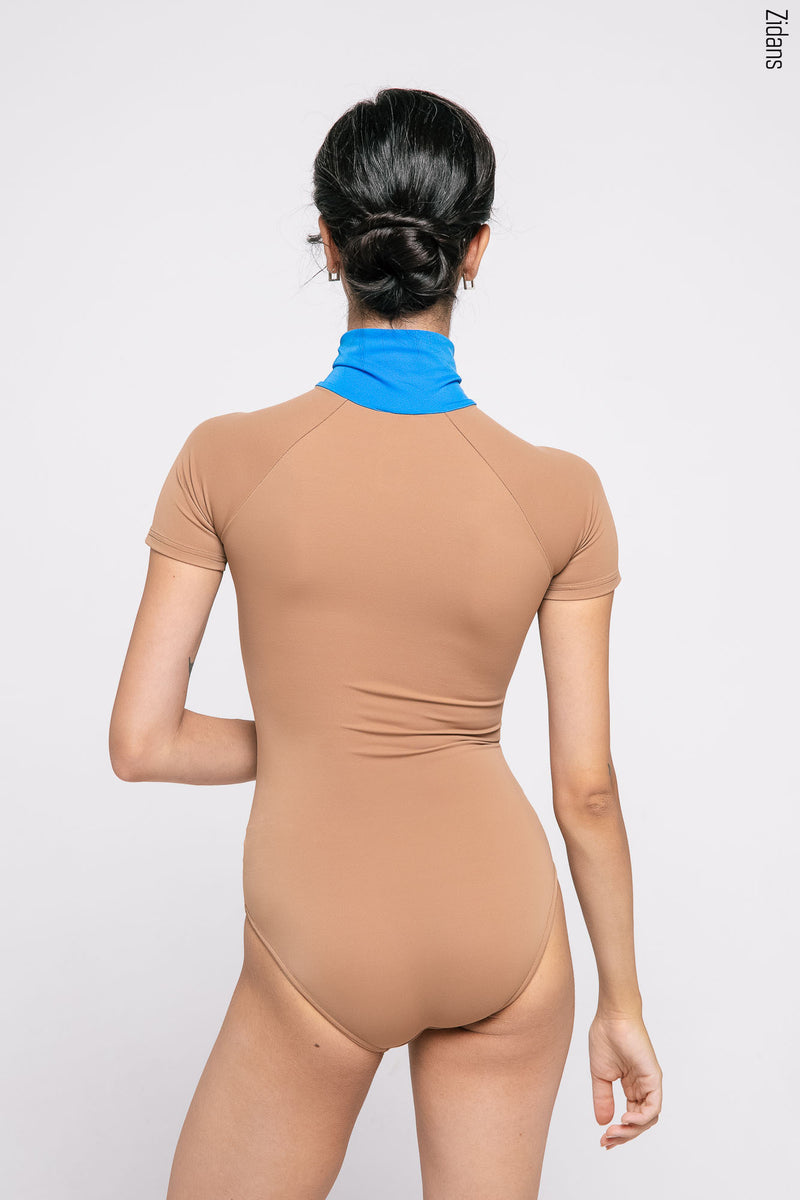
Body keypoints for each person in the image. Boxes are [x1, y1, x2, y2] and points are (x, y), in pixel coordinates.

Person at [109, 86, 662, 1200]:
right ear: (476, 251)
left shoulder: (225, 460)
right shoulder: (562, 493)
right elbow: (588, 790)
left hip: (323, 926)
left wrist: (316, 739)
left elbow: (143, 742)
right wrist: (622, 1003)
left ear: (327, 242)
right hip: (508, 924)